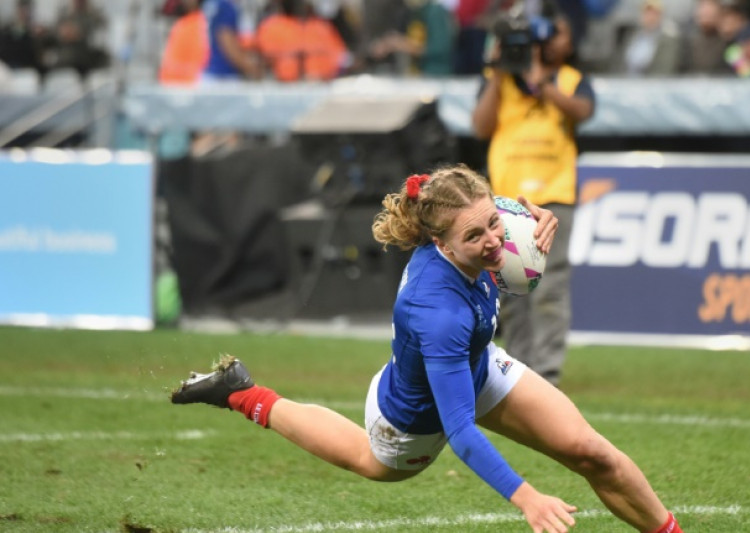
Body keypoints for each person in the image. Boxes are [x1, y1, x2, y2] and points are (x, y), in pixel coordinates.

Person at [171, 165, 683, 533]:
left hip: (475, 364)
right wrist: (527, 498)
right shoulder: (439, 312)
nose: (493, 241)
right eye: (475, 236)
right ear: (442, 244)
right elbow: (460, 432)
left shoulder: (470, 220)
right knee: (369, 461)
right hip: (412, 416)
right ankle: (243, 393)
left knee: (593, 453)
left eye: (495, 223)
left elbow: (496, 227)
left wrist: (533, 225)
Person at [471, 12, 593, 387]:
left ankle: (547, 373)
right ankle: (518, 371)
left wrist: (544, 85)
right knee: (509, 287)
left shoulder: (569, 79)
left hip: (555, 195)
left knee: (549, 288)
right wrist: (498, 73)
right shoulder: (498, 81)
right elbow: (480, 127)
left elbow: (584, 112)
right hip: (507, 201)